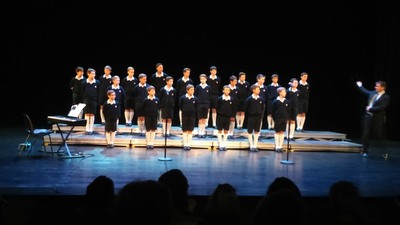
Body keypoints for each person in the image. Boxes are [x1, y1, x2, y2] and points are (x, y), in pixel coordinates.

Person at [356, 80, 390, 157]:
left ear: (383, 87)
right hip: (368, 117)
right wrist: (360, 86)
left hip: (377, 118)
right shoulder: (373, 93)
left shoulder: (386, 97)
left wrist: (370, 108)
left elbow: (381, 107)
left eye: (377, 86)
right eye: (375, 86)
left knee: (379, 135)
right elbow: (365, 91)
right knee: (365, 134)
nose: (375, 87)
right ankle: (365, 150)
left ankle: (385, 152)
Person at [244, 84, 265, 152]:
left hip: (258, 117)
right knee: (250, 131)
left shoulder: (261, 99)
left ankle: (255, 145)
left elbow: (262, 108)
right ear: (253, 90)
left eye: (259, 89)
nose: (259, 90)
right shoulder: (249, 99)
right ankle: (251, 145)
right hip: (251, 117)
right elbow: (246, 108)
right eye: (257, 89)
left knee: (256, 131)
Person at [216, 85, 236, 151]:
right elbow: (217, 107)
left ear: (230, 91)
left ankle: (224, 144)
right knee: (219, 130)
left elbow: (233, 108)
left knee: (226, 130)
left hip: (228, 117)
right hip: (221, 116)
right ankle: (220, 144)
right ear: (223, 91)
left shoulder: (232, 99)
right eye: (226, 90)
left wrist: (232, 116)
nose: (227, 91)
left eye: (228, 90)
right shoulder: (220, 99)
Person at [149, 63, 168, 128]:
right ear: (157, 68)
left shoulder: (165, 75)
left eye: (162, 67)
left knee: (161, 108)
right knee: (155, 107)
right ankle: (156, 121)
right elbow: (151, 86)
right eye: (160, 67)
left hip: (163, 94)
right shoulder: (154, 76)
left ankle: (160, 121)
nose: (161, 69)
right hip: (155, 94)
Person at [179, 84, 198, 150]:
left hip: (192, 116)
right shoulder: (183, 98)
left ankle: (188, 144)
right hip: (185, 115)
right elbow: (180, 106)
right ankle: (185, 144)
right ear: (187, 90)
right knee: (185, 130)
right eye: (191, 90)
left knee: (190, 130)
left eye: (193, 90)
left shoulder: (195, 98)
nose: (193, 91)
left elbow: (196, 107)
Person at [82, 68, 100, 135]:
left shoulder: (97, 82)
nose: (94, 75)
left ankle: (91, 129)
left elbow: (98, 91)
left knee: (92, 114)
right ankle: (87, 129)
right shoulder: (84, 82)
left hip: (94, 100)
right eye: (92, 73)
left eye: (94, 74)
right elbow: (82, 91)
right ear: (88, 74)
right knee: (87, 114)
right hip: (86, 100)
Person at [272, 87, 290, 152]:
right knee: (277, 132)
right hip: (277, 119)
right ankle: (277, 146)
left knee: (282, 132)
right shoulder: (275, 101)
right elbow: (273, 111)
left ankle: (280, 146)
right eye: (284, 92)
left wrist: (287, 117)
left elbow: (288, 110)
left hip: (284, 118)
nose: (285, 93)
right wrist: (275, 118)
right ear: (279, 92)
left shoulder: (287, 101)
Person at [142, 85, 160, 150]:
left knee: (153, 129)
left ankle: (152, 143)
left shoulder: (157, 99)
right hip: (147, 116)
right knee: (148, 129)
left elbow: (158, 107)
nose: (153, 92)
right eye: (152, 91)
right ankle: (148, 143)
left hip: (154, 116)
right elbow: (143, 108)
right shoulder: (146, 100)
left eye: (154, 91)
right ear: (148, 92)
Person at [194, 74, 211, 138]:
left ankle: (203, 132)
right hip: (199, 104)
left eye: (203, 79)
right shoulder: (198, 87)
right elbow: (196, 95)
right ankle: (199, 132)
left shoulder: (208, 87)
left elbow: (209, 97)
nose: (202, 80)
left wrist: (209, 106)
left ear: (206, 79)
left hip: (206, 104)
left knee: (204, 118)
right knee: (200, 118)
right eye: (201, 79)